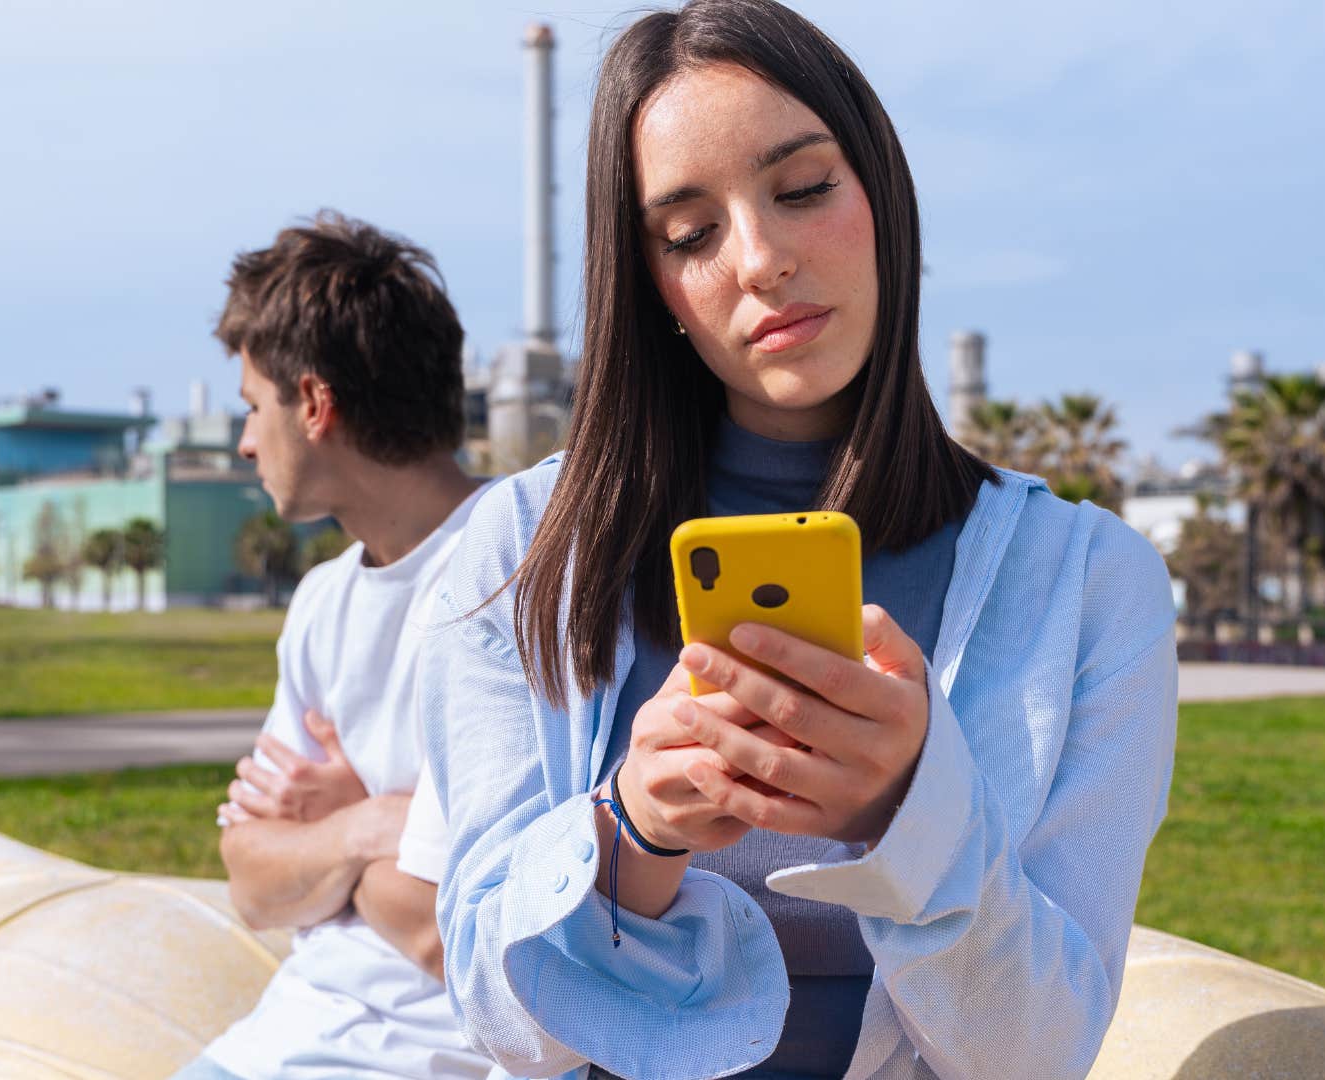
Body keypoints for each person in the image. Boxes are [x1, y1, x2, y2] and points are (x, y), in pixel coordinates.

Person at [416, 2, 1178, 1078]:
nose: (762, 259)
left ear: (883, 194)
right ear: (653, 284)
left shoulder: (1091, 583)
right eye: (690, 235)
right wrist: (631, 830)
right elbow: (494, 1022)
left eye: (805, 187)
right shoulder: (524, 556)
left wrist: (908, 814)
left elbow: (1038, 1053)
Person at [176, 212, 494, 1080]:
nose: (245, 441)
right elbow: (250, 881)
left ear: (314, 404)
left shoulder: (516, 572)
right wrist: (372, 825)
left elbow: (454, 931)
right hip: (268, 1046)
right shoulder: (322, 602)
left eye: (252, 407)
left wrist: (324, 850)